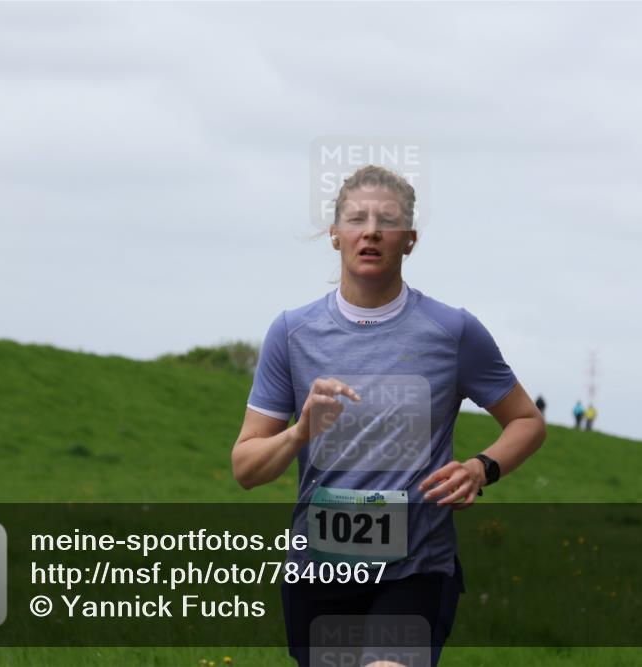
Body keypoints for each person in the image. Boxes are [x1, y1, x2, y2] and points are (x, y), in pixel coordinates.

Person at [231, 165, 546, 667]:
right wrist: (300, 432)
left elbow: (527, 421)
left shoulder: (453, 331)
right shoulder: (292, 334)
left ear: (410, 240)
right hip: (319, 571)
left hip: (416, 568)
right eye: (357, 218)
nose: (372, 229)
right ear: (335, 235)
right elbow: (246, 469)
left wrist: (479, 468)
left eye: (388, 220)